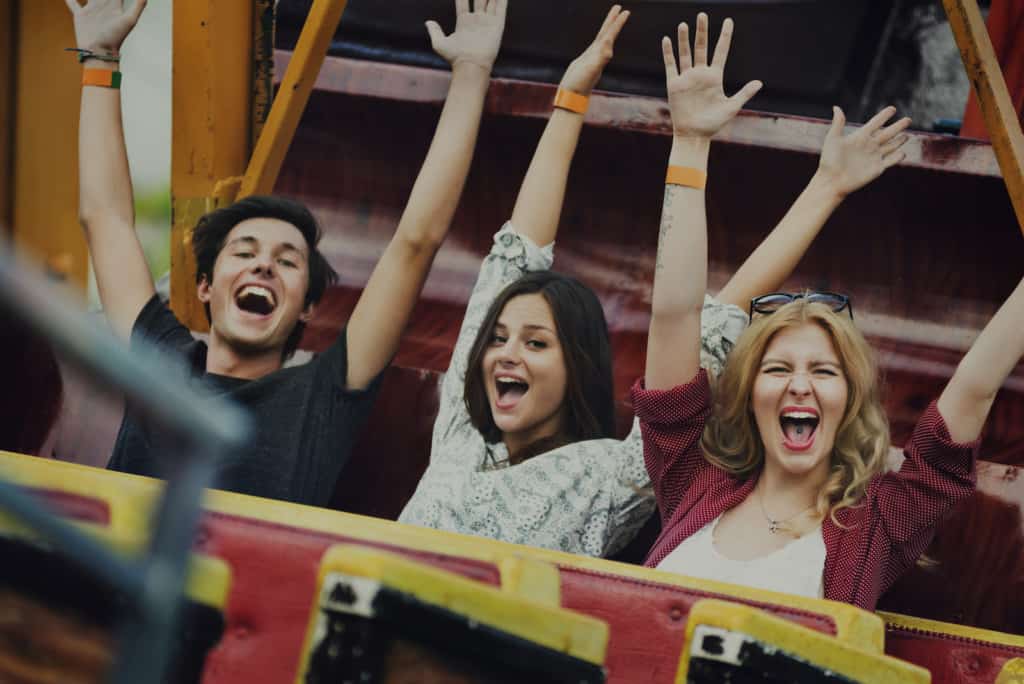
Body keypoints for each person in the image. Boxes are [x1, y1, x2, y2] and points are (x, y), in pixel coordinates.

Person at [399, 6, 910, 557]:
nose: (506, 354)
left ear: (579, 366)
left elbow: (709, 320)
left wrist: (826, 188)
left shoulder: (610, 475)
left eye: (536, 342)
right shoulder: (461, 430)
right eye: (498, 340)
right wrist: (570, 100)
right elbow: (512, 262)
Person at [635, 12, 1024, 609]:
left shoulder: (878, 525)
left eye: (823, 371)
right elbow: (675, 316)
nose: (799, 387)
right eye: (777, 369)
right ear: (746, 395)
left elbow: (972, 389)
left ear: (849, 401)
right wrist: (690, 146)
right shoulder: (693, 477)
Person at [66, 0, 507, 505]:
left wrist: (472, 72)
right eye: (245, 251)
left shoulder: (322, 397)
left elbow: (416, 243)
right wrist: (99, 58)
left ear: (307, 307)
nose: (263, 265)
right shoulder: (160, 361)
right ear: (205, 287)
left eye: (287, 261)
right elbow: (105, 221)